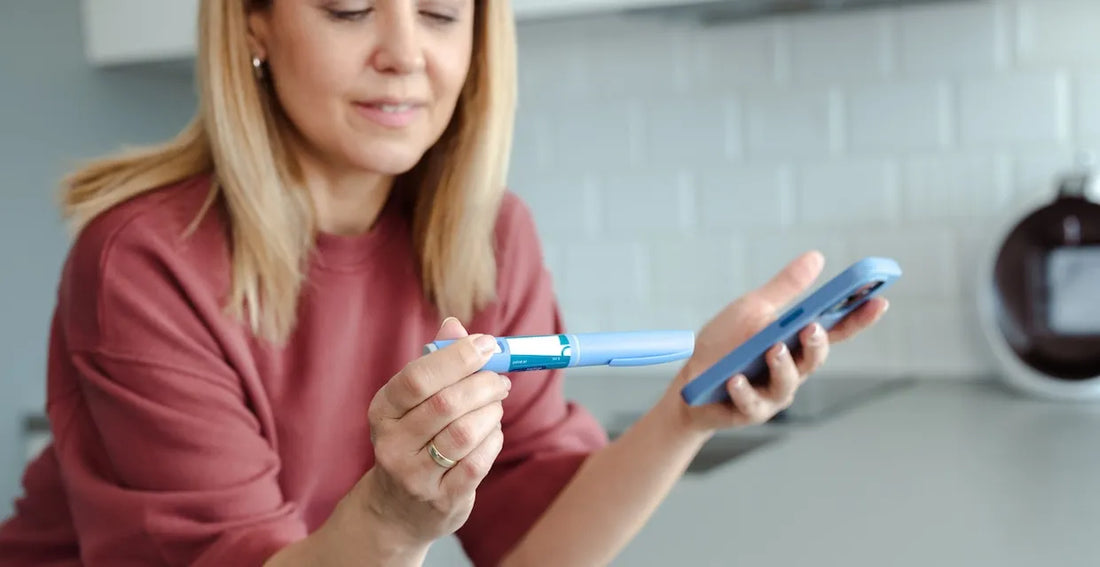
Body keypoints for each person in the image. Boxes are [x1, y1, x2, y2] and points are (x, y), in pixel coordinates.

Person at [0, 0, 889, 565]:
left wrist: (687, 413)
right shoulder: (144, 261)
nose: (403, 52)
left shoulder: (490, 237)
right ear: (252, 23)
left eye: (438, 11)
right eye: (349, 8)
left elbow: (534, 547)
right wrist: (392, 518)